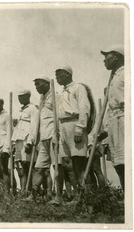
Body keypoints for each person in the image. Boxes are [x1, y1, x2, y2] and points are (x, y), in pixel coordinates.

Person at [55, 65, 91, 195]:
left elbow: (84, 107)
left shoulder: (78, 88)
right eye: (56, 75)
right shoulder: (63, 92)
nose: (57, 78)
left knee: (78, 161)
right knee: (66, 162)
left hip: (74, 123)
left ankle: (86, 195)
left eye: (59, 75)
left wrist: (80, 128)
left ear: (68, 75)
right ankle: (77, 193)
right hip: (63, 125)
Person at [29, 76, 64, 204]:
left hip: (53, 135)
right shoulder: (42, 99)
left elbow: (60, 115)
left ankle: (58, 195)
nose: (36, 87)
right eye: (35, 85)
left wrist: (58, 134)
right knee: (39, 168)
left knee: (56, 166)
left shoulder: (55, 96)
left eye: (38, 84)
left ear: (46, 83)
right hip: (44, 137)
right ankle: (32, 195)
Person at [99, 45, 124, 190]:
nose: (104, 61)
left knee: (126, 161)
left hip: (125, 120)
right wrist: (106, 129)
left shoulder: (127, 74)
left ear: (117, 57)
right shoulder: (114, 78)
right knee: (118, 162)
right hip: (114, 121)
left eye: (107, 57)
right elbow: (110, 109)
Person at [11, 89, 39, 194]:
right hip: (19, 140)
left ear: (28, 96)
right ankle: (25, 190)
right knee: (23, 166)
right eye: (19, 97)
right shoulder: (20, 111)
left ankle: (34, 191)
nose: (20, 99)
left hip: (26, 140)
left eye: (22, 96)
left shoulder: (33, 109)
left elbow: (34, 126)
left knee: (30, 165)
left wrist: (30, 142)